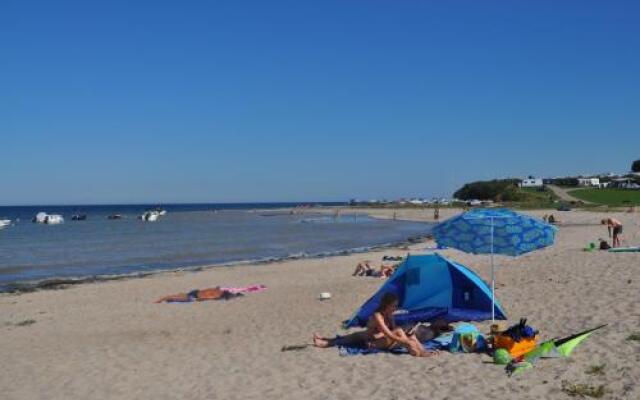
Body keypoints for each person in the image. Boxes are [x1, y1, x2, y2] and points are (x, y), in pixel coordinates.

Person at [312, 293, 438, 357]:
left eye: (396, 306)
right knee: (350, 338)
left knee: (408, 334)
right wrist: (405, 341)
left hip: (379, 339)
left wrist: (406, 337)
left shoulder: (389, 315)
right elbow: (390, 333)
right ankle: (324, 343)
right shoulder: (378, 316)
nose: (395, 308)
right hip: (373, 342)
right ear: (386, 305)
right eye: (393, 306)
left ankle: (423, 351)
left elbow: (391, 331)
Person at [154, 286, 240, 303]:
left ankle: (166, 298)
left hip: (195, 292)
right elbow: (206, 298)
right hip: (194, 296)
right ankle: (162, 299)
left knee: (180, 296)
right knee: (178, 298)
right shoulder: (217, 295)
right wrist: (200, 299)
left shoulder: (217, 289)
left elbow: (210, 290)